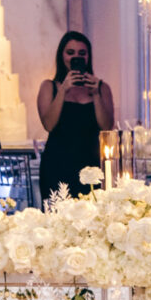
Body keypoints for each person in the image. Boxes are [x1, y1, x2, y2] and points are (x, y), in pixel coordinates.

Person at [37, 31, 114, 202]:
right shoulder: (49, 87)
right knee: (57, 214)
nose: (76, 57)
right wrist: (63, 90)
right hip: (58, 163)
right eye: (70, 53)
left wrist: (96, 94)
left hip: (91, 165)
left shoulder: (102, 88)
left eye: (82, 53)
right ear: (61, 55)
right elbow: (49, 124)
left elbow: (107, 127)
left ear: (88, 56)